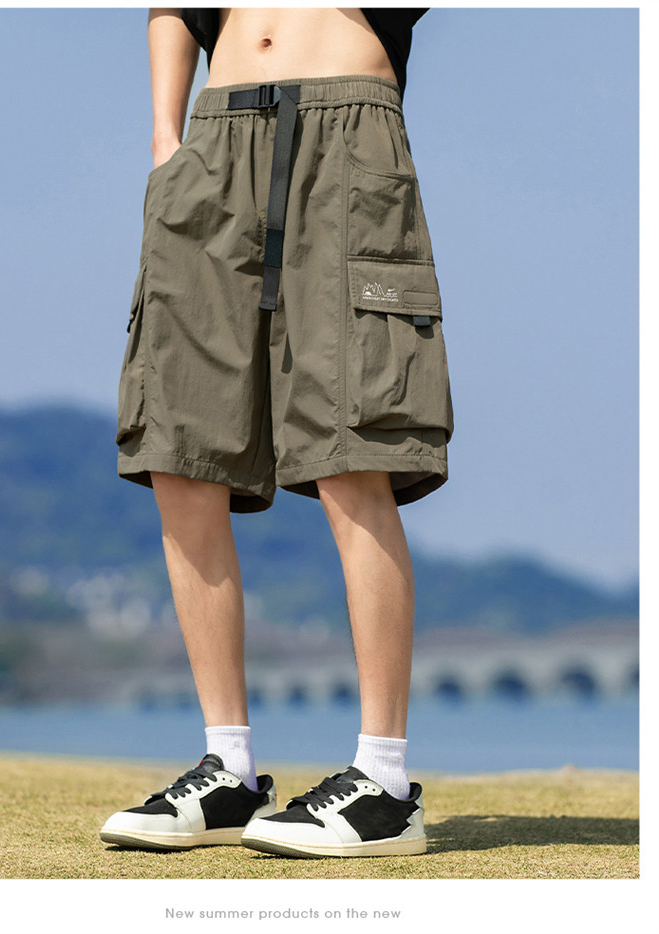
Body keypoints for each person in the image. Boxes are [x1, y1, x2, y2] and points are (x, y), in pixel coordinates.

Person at [101, 7, 453, 859]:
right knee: (180, 451)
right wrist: (166, 138)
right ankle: (227, 770)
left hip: (347, 133)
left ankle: (384, 783)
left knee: (355, 451)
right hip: (213, 140)